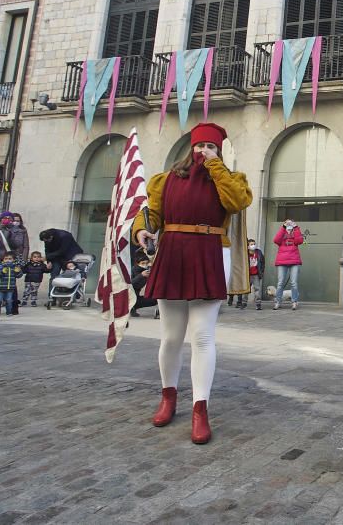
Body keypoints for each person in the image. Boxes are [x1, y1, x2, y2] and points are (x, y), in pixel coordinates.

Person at [133, 122, 252, 445]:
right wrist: (143, 230)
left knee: (202, 335)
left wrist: (215, 165)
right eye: (199, 147)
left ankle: (201, 408)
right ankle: (168, 397)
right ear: (190, 147)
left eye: (210, 147)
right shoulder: (166, 179)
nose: (203, 152)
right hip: (172, 253)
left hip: (209, 252)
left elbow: (237, 202)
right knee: (171, 336)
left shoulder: (229, 179)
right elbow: (152, 214)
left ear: (219, 150)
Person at [38, 228, 83, 301]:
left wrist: (47, 257)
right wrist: (49, 261)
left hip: (69, 256)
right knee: (54, 276)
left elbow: (62, 250)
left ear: (51, 237)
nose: (46, 242)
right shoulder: (46, 237)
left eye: (47, 240)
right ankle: (52, 297)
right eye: (44, 241)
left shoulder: (64, 236)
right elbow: (47, 249)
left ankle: (74, 295)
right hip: (56, 257)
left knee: (71, 276)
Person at [273, 219, 303, 311]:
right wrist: (283, 227)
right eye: (288, 223)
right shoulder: (282, 232)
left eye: (291, 223)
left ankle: (294, 301)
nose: (289, 225)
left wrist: (296, 228)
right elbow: (276, 240)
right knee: (280, 283)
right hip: (282, 261)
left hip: (294, 261)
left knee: (293, 283)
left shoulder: (295, 232)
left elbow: (299, 241)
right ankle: (278, 301)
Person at [0, 251, 23, 315]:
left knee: (9, 300)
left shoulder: (14, 267)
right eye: (6, 259)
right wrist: (2, 272)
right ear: (3, 260)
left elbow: (19, 276)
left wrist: (18, 271)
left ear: (13, 260)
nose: (8, 260)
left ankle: (9, 312)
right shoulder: (0, 266)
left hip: (10, 288)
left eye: (10, 259)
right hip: (0, 287)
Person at [247, 238, 264, 310]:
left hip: (256, 274)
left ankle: (258, 304)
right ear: (248, 246)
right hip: (247, 275)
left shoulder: (259, 252)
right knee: (246, 290)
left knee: (257, 289)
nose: (253, 245)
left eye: (254, 244)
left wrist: (262, 272)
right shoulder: (245, 253)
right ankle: (244, 303)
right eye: (251, 244)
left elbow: (262, 262)